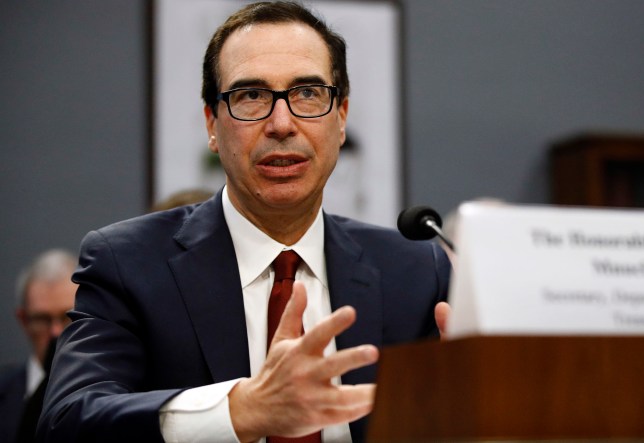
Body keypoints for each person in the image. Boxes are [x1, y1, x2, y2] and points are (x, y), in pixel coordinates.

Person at [38, 2, 451, 442]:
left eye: (308, 93)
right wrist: (241, 410)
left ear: (342, 117)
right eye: (251, 95)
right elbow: (68, 421)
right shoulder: (128, 263)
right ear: (212, 125)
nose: (281, 123)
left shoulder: (413, 270)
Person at [0, 249, 77, 443]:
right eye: (42, 319)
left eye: (67, 317)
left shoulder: (118, 393)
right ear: (23, 320)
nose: (56, 332)